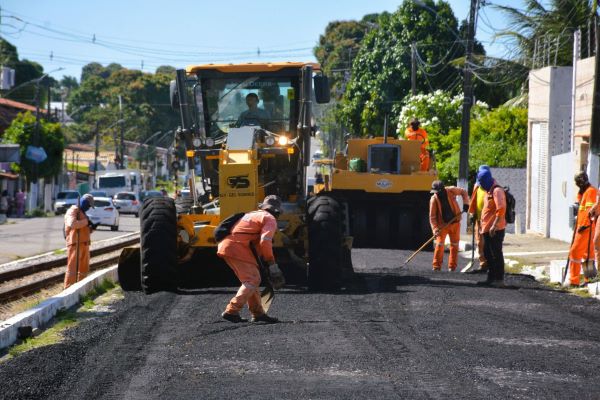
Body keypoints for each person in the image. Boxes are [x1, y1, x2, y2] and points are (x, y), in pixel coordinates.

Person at [217, 195, 285, 323]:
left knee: (252, 280)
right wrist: (272, 264)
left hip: (229, 246)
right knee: (252, 279)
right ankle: (231, 311)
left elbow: (253, 241)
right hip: (237, 248)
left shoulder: (253, 215)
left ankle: (258, 313)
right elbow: (265, 241)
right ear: (277, 211)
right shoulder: (270, 219)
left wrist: (262, 263)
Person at [429, 180, 469, 271]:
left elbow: (463, 192)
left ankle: (452, 267)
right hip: (442, 225)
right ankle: (436, 266)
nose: (436, 194)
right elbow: (432, 217)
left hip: (455, 223)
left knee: (454, 245)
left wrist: (466, 203)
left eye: (437, 192)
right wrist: (435, 229)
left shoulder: (451, 190)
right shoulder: (434, 199)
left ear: (442, 189)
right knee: (439, 244)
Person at [476, 168, 507, 287]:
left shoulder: (497, 191)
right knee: (488, 253)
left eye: (482, 182)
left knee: (496, 254)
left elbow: (501, 208)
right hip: (487, 229)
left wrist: (494, 225)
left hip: (495, 230)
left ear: (487, 180)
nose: (481, 185)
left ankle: (499, 279)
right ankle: (491, 278)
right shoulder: (488, 191)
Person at [568, 172, 597, 287]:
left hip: (586, 228)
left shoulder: (590, 191)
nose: (577, 185)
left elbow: (589, 211)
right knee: (588, 255)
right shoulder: (585, 192)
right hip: (585, 227)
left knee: (575, 253)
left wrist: (583, 225)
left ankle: (574, 281)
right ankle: (590, 279)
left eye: (578, 182)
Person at [64, 194, 97, 289]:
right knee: (72, 269)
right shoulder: (73, 210)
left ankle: (80, 289)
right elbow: (72, 224)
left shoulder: (82, 212)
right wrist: (86, 222)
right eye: (88, 205)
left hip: (84, 244)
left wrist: (91, 229)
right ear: (84, 202)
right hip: (75, 244)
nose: (89, 208)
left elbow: (82, 229)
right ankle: (68, 289)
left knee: (83, 269)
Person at [467, 165, 490, 272]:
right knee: (479, 242)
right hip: (478, 220)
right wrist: (472, 214)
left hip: (488, 221)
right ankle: (483, 264)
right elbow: (473, 201)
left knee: (488, 244)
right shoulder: (477, 186)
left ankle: (491, 264)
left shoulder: (490, 186)